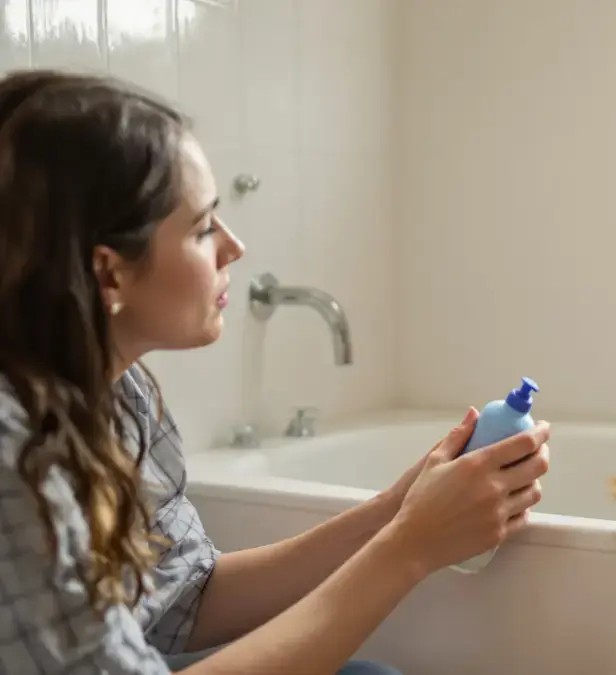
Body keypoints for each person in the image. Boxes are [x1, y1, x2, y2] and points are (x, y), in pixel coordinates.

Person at [0, 69, 551, 674]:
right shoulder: (15, 457)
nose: (233, 247)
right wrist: (409, 547)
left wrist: (399, 507)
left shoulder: (117, 392)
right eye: (204, 226)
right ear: (111, 275)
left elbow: (184, 599)